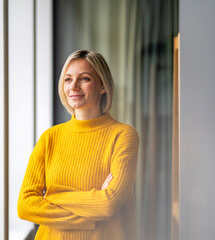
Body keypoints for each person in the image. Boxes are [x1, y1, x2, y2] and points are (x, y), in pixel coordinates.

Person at [17, 50, 139, 240]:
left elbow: (109, 204)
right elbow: (25, 205)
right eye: (68, 79)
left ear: (103, 86)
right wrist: (89, 214)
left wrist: (51, 196)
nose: (74, 86)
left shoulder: (123, 135)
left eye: (85, 79)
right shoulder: (49, 138)